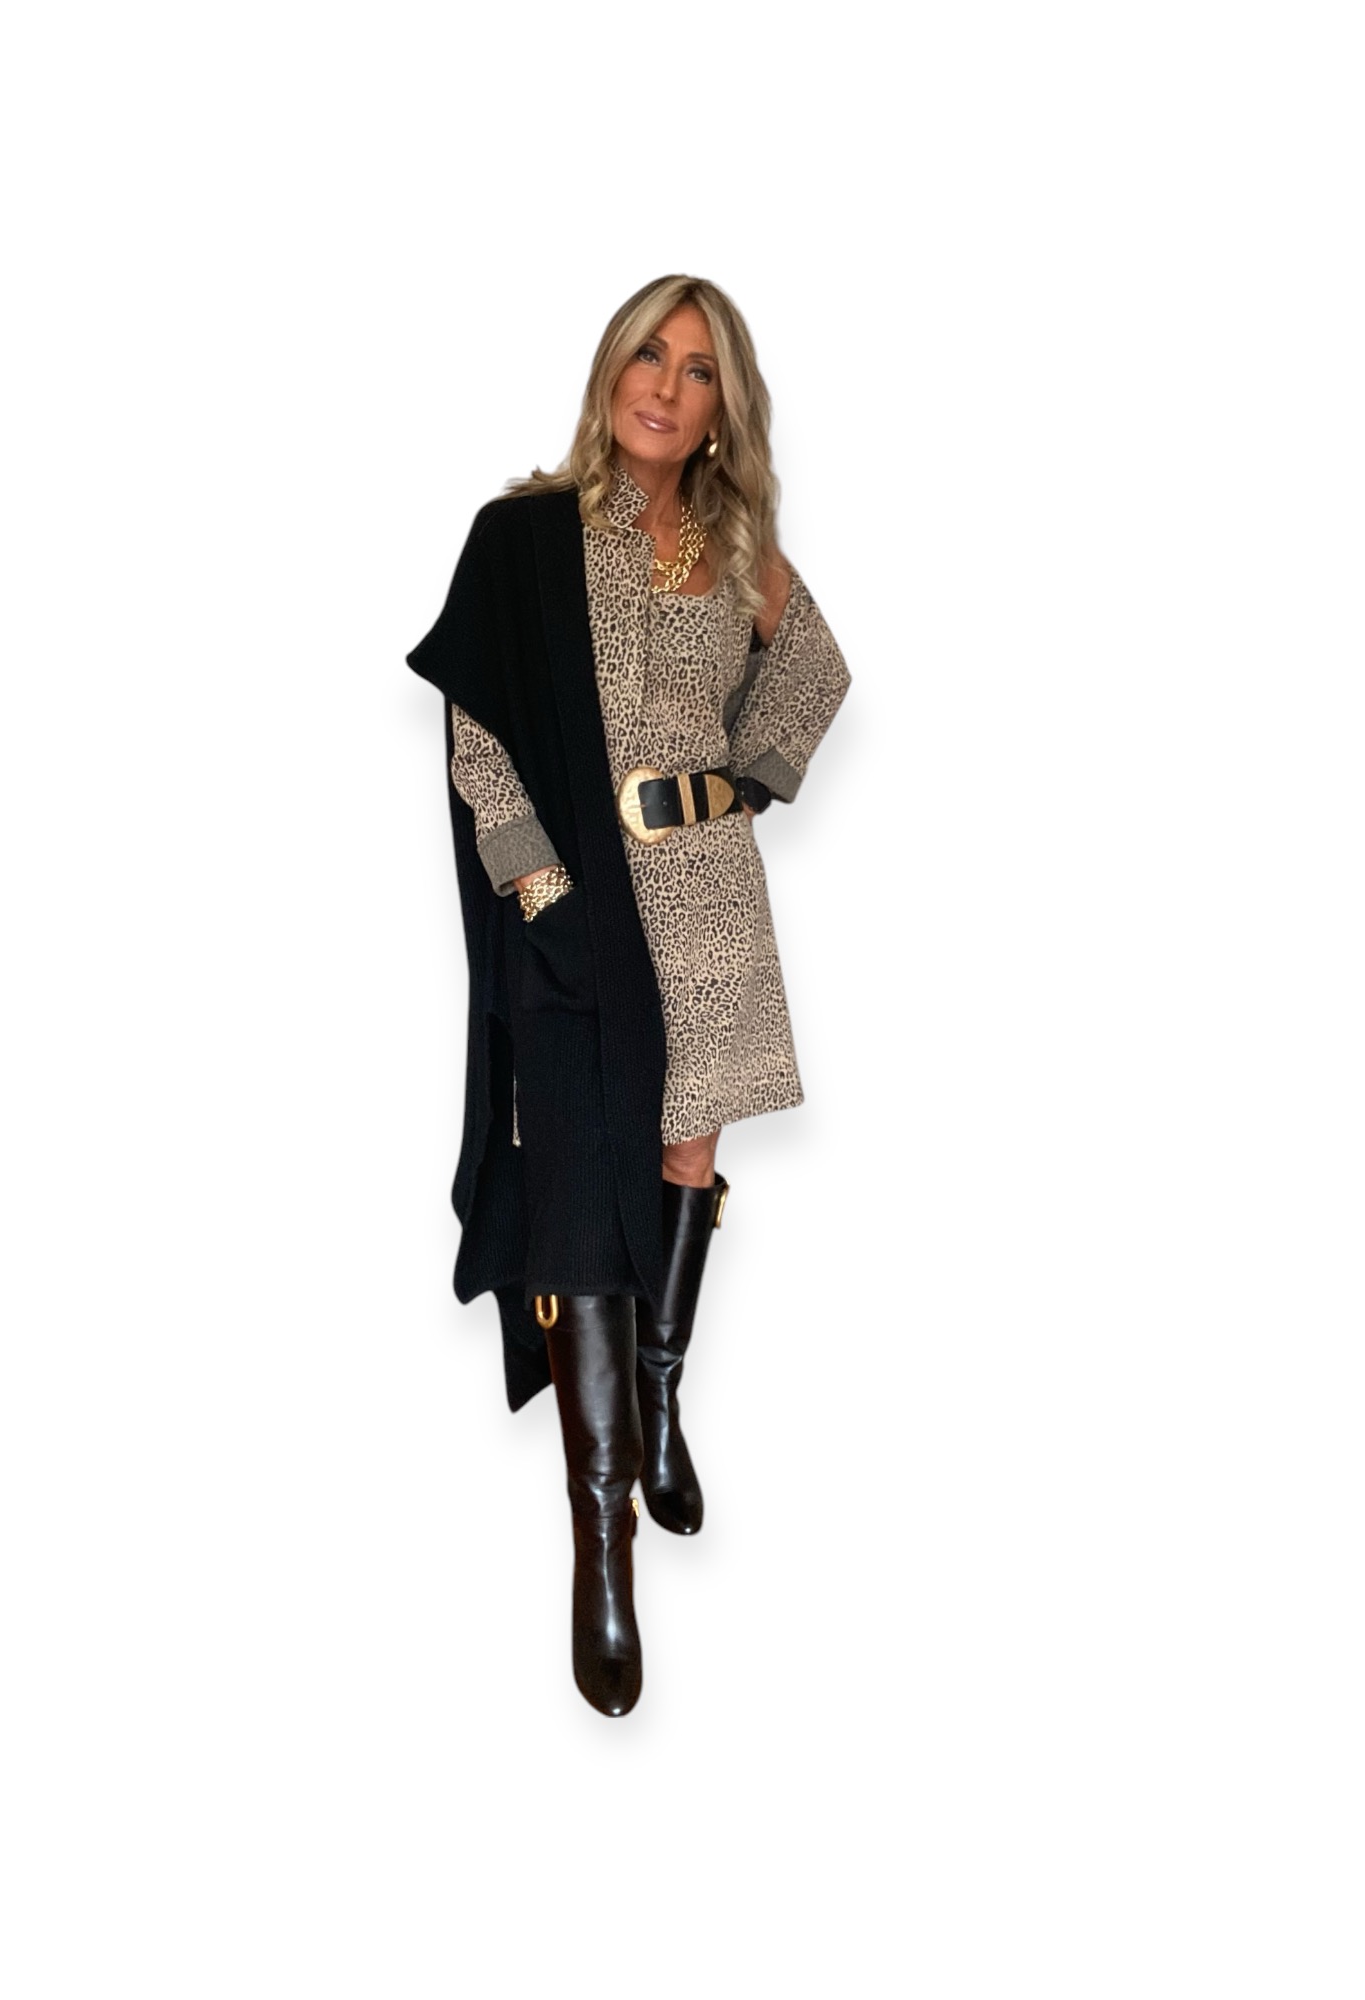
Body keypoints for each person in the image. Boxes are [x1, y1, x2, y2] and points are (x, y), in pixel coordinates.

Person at [407, 274, 850, 1716]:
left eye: (699, 369)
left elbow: (818, 670)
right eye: (649, 354)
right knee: (577, 1200)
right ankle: (604, 1546)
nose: (666, 384)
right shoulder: (526, 534)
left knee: (681, 1159)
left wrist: (744, 781)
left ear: (725, 410)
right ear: (612, 371)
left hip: (705, 895)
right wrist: (540, 892)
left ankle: (659, 1395)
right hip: (577, 908)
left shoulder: (735, 548)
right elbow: (481, 734)